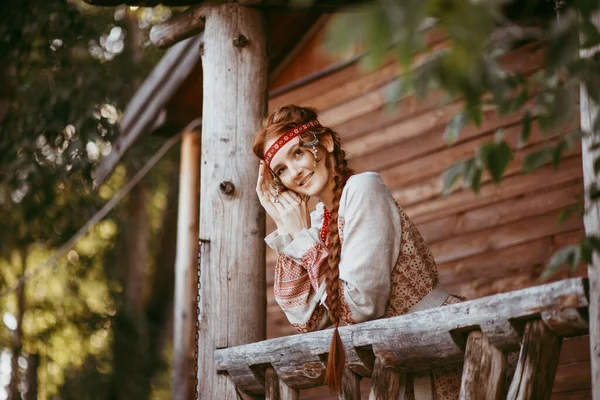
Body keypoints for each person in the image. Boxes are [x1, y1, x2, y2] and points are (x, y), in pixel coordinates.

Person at [253, 105, 464, 399]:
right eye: (281, 170)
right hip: (401, 360)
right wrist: (284, 224)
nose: (295, 173)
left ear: (325, 143)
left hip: (446, 347)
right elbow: (308, 320)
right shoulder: (318, 222)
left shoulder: (363, 189)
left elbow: (357, 309)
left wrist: (302, 238)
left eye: (297, 153)